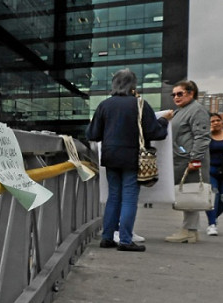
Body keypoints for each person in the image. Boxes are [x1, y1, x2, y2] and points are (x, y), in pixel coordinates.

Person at [86, 68, 168, 252]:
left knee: (113, 197)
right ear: (133, 85)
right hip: (133, 157)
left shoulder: (104, 105)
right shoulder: (140, 104)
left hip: (110, 156)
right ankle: (125, 240)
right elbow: (156, 132)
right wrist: (163, 121)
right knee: (129, 198)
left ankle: (107, 237)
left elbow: (92, 134)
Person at [160, 80, 210, 243]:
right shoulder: (181, 111)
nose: (176, 97)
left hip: (189, 160)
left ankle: (188, 230)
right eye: (173, 94)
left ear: (191, 93)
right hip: (183, 159)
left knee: (190, 192)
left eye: (180, 93)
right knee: (188, 193)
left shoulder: (196, 110)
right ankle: (191, 231)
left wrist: (195, 158)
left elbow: (202, 136)